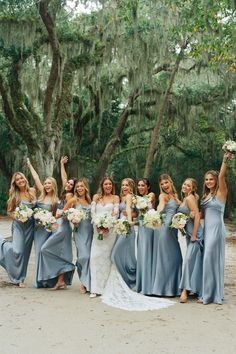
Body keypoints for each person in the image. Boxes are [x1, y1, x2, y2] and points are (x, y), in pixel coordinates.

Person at [27, 159, 75, 289]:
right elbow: (36, 178)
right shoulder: (41, 196)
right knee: (39, 253)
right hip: (38, 230)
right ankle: (41, 280)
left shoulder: (56, 200)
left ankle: (51, 278)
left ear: (53, 185)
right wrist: (30, 165)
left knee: (47, 252)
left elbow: (58, 216)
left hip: (49, 230)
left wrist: (61, 165)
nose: (47, 185)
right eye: (45, 183)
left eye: (49, 183)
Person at [200, 153, 231, 305]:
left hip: (217, 230)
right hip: (206, 230)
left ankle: (210, 295)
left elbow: (221, 177)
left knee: (209, 259)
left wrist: (225, 159)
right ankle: (208, 292)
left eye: (211, 179)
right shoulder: (205, 195)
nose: (208, 181)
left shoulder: (221, 192)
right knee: (207, 260)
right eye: (206, 179)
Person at [0, 171, 36, 287]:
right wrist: (18, 218)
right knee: (17, 251)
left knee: (25, 253)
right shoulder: (14, 194)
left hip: (30, 226)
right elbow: (10, 211)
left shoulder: (32, 191)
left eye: (21, 178)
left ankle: (20, 279)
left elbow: (36, 207)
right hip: (18, 226)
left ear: (25, 179)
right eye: (17, 180)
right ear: (15, 183)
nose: (20, 181)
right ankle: (2, 244)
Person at [152, 174, 182, 296]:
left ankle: (174, 288)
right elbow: (160, 206)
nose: (164, 185)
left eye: (166, 182)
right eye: (162, 184)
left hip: (173, 231)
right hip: (164, 230)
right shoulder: (162, 196)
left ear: (171, 182)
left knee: (176, 258)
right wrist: (156, 213)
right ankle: (162, 289)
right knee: (166, 258)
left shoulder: (175, 196)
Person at [89, 177, 120, 298]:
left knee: (107, 259)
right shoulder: (96, 197)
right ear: (102, 185)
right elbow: (93, 213)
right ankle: (95, 288)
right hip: (97, 231)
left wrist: (108, 225)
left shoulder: (115, 198)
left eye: (110, 184)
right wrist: (97, 224)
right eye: (106, 184)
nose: (108, 186)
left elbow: (115, 213)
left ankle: (105, 287)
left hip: (110, 231)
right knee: (94, 257)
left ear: (112, 186)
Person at [63, 179, 93, 294]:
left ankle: (86, 283)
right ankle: (83, 280)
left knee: (89, 257)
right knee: (83, 256)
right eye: (78, 187)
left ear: (85, 188)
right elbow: (64, 213)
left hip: (90, 232)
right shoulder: (73, 200)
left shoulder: (89, 200)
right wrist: (72, 219)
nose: (79, 188)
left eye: (81, 186)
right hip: (79, 231)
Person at [178, 178, 203, 303]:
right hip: (188, 234)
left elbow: (197, 216)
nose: (185, 186)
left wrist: (194, 235)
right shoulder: (186, 198)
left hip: (195, 235)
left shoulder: (189, 198)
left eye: (189, 185)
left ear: (193, 188)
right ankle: (197, 288)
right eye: (184, 184)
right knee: (194, 261)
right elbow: (192, 213)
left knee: (188, 260)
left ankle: (184, 290)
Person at [111, 178, 136, 289]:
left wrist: (130, 221)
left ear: (131, 187)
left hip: (126, 227)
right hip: (119, 228)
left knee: (116, 254)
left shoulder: (130, 196)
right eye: (123, 185)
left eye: (127, 185)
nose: (124, 187)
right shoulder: (122, 198)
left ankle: (130, 279)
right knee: (125, 256)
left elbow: (128, 209)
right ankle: (124, 280)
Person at [136, 178, 155, 294]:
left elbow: (147, 206)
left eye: (143, 185)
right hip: (141, 228)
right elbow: (137, 213)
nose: (140, 187)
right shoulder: (137, 199)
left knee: (148, 253)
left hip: (149, 227)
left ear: (148, 187)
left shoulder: (150, 195)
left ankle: (148, 286)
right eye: (139, 185)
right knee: (142, 254)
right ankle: (142, 283)